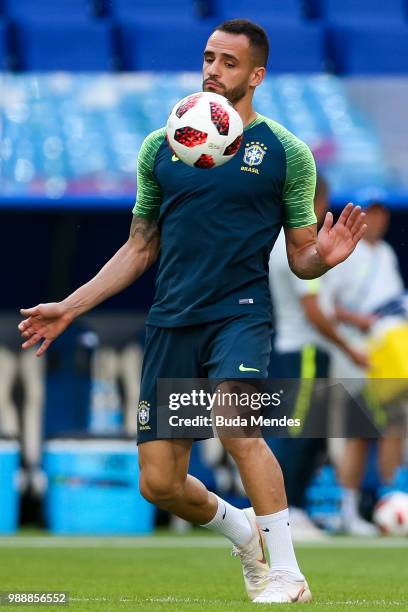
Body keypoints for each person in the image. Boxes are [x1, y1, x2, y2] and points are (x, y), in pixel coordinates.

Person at [18, 19, 367, 604]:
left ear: (256, 75)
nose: (213, 70)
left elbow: (302, 257)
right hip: (172, 320)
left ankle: (286, 569)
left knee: (236, 423)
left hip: (242, 315)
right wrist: (70, 307)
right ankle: (243, 532)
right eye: (209, 57)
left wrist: (322, 259)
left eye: (229, 62)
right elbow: (139, 247)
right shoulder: (160, 146)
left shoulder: (286, 153)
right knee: (159, 484)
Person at [267, 176, 369, 540]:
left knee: (310, 434)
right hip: (304, 351)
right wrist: (350, 347)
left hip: (303, 350)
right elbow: (313, 311)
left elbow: (321, 305)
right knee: (297, 432)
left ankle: (294, 512)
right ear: (317, 198)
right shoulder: (300, 245)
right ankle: (286, 514)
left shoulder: (289, 240)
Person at [327, 202, 405, 536]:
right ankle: (347, 508)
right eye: (371, 213)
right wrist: (360, 320)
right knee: (359, 431)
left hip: (386, 355)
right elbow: (328, 305)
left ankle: (392, 496)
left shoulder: (386, 253)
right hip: (353, 352)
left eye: (382, 214)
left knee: (396, 425)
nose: (378, 220)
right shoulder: (347, 249)